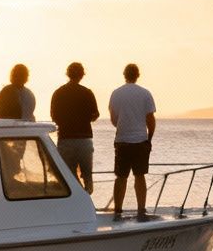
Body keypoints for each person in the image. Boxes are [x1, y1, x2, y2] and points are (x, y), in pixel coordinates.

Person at [107, 62, 156, 219]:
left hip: (122, 140)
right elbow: (150, 119)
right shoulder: (145, 93)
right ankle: (141, 210)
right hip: (140, 140)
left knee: (121, 177)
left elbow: (114, 119)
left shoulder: (116, 94)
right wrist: (149, 138)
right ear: (138, 75)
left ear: (124, 75)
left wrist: (122, 127)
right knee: (139, 176)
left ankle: (118, 211)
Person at [49, 62, 99, 196]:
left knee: (68, 176)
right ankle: (86, 195)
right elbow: (95, 115)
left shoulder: (58, 93)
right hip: (84, 138)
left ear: (67, 74)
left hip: (66, 138)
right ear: (82, 75)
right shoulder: (87, 93)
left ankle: (79, 196)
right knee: (87, 175)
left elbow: (54, 116)